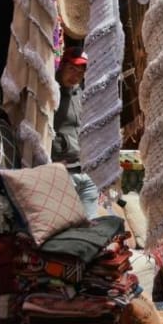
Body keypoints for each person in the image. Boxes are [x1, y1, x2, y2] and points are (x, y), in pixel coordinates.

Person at [51, 47, 99, 218]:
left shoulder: (82, 94)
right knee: (66, 223)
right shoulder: (50, 94)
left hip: (86, 170)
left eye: (80, 71)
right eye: (72, 69)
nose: (75, 75)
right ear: (62, 66)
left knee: (90, 224)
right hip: (63, 171)